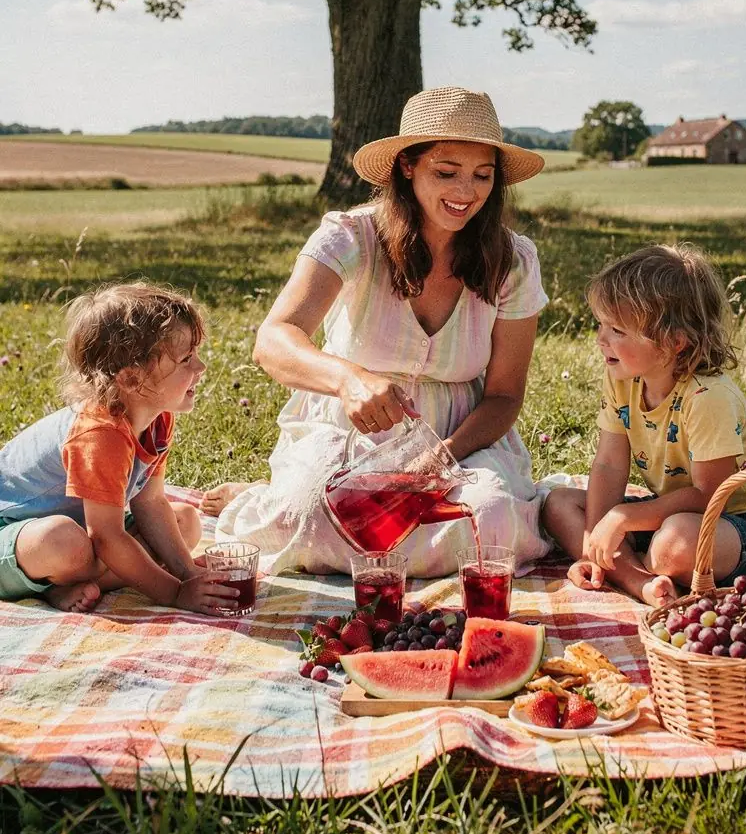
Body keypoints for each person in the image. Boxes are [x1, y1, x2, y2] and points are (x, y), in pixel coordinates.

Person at [211, 86, 561, 575]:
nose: (466, 193)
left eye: (483, 176)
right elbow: (273, 340)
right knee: (308, 518)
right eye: (446, 172)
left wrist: (438, 460)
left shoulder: (514, 260)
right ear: (407, 167)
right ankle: (264, 499)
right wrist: (347, 378)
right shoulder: (350, 235)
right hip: (350, 432)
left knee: (491, 522)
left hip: (462, 439)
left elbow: (504, 395)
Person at [542, 244, 746, 606]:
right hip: (671, 510)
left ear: (673, 342)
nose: (601, 338)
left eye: (617, 330)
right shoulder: (622, 377)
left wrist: (626, 516)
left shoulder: (708, 397)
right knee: (558, 503)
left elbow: (710, 496)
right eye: (601, 324)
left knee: (674, 543)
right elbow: (609, 465)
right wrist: (598, 537)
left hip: (743, 526)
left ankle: (634, 568)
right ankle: (637, 579)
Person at [0, 282, 237, 615]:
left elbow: (150, 501)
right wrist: (175, 592)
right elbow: (107, 536)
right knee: (65, 541)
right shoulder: (100, 434)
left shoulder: (157, 419)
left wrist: (188, 572)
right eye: (186, 359)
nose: (201, 368)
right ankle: (56, 587)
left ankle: (69, 581)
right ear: (130, 380)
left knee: (185, 522)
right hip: (17, 532)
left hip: (85, 528)